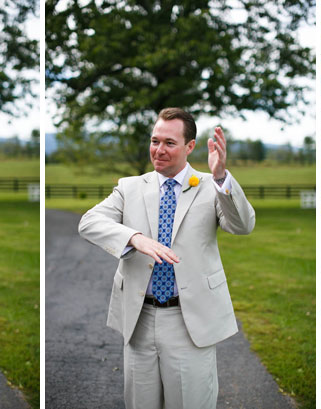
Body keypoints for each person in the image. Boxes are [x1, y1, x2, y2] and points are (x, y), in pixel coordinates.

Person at [78, 107, 255, 408]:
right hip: (140, 318)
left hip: (189, 322)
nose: (158, 150)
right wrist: (134, 238)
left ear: (190, 147)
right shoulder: (129, 187)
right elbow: (89, 222)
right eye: (154, 140)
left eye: (169, 143)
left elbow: (242, 225)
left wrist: (221, 176)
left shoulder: (211, 187)